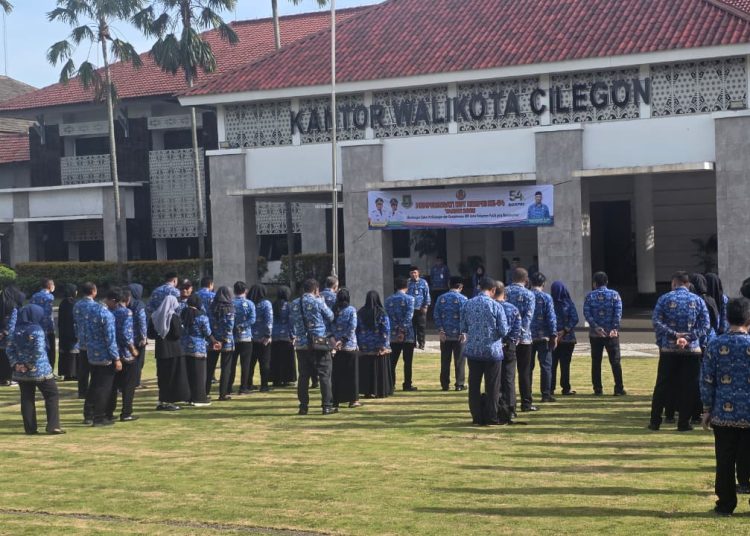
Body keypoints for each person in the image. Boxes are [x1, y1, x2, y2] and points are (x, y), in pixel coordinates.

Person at [700, 297, 750, 515]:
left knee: (725, 460)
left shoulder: (715, 344)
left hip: (723, 412)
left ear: (727, 318)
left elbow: (707, 380)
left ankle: (725, 504)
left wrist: (706, 409)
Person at [649, 271, 710, 431]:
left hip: (669, 349)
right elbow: (705, 325)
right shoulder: (698, 300)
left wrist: (674, 335)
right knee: (689, 386)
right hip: (691, 350)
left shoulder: (664, 298)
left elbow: (656, 321)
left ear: (673, 283)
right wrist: (688, 338)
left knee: (662, 384)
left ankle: (655, 421)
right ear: (688, 284)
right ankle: (684, 422)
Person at [7, 304, 64, 435]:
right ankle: (53, 425)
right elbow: (38, 350)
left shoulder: (14, 330)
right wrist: (29, 364)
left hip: (21, 372)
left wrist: (16, 364)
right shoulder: (36, 329)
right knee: (52, 394)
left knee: (27, 398)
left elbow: (9, 349)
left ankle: (30, 428)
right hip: (40, 370)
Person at [459, 276, 509, 426]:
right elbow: (503, 330)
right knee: (492, 386)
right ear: (493, 290)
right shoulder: (496, 306)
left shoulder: (467, 304)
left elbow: (463, 327)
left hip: (473, 351)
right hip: (492, 351)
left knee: (474, 385)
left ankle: (476, 416)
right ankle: (492, 416)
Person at [289, 278, 335, 415]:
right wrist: (323, 302)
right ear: (316, 290)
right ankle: (327, 406)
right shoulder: (318, 301)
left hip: (301, 344)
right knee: (324, 374)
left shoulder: (294, 303)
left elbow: (292, 321)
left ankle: (303, 406)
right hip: (318, 343)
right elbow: (330, 316)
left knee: (303, 376)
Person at [82, 287, 121, 426]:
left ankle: (88, 414)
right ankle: (99, 417)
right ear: (112, 300)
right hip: (105, 356)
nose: (117, 306)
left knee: (93, 384)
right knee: (104, 387)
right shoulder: (107, 315)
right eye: (116, 303)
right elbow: (110, 339)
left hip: (92, 353)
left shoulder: (90, 309)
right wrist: (116, 358)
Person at [583, 272, 626, 396]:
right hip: (611, 334)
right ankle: (618, 388)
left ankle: (597, 389)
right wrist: (614, 327)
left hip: (595, 334)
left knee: (596, 362)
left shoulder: (590, 296)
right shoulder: (614, 295)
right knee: (615, 361)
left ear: (594, 283)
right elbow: (618, 313)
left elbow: (587, 313)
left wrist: (596, 327)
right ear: (606, 282)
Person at [105, 288, 139, 422]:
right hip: (125, 354)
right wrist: (133, 349)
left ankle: (108, 412)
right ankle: (126, 412)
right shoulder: (126, 312)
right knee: (129, 386)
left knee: (112, 385)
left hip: (112, 353)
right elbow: (126, 334)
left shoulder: (107, 312)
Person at [505, 267, 536, 412]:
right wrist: (520, 333)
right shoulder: (529, 294)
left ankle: (508, 403)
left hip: (506, 338)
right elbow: (528, 317)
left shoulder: (505, 291)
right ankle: (526, 403)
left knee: (508, 373)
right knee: (524, 371)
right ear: (526, 279)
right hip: (524, 339)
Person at [150, 294, 189, 410]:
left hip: (161, 351)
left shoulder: (154, 316)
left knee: (162, 377)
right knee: (173, 377)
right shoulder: (173, 317)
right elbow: (177, 334)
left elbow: (150, 334)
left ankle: (162, 400)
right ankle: (170, 401)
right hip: (174, 351)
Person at [180, 294, 219, 407]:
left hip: (184, 347)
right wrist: (214, 341)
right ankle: (199, 398)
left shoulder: (183, 314)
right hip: (198, 348)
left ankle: (189, 397)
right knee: (199, 375)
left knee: (189, 374)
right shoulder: (201, 316)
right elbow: (207, 332)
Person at [434, 276, 467, 391]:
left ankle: (445, 384)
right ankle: (459, 384)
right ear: (460, 286)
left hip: (445, 334)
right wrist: (463, 331)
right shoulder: (463, 299)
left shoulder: (441, 298)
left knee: (445, 360)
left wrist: (440, 330)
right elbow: (465, 317)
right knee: (460, 361)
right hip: (459, 335)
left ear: (449, 285)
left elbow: (436, 315)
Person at [494, 281, 521, 423]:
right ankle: (511, 408)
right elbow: (517, 329)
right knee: (509, 378)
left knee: (495, 379)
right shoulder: (513, 308)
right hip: (509, 346)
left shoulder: (491, 307)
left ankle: (497, 407)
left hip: (494, 346)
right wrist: (512, 341)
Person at [529, 272, 557, 404]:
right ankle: (546, 394)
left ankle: (527, 393)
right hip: (543, 337)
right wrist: (553, 335)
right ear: (543, 284)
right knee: (546, 366)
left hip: (527, 337)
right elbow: (551, 318)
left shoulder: (526, 295)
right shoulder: (546, 297)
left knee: (527, 367)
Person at [357, 291, 391, 399]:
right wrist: (384, 345)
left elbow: (357, 329)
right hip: (378, 345)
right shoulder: (381, 313)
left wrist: (358, 343)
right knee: (378, 369)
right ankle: (379, 390)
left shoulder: (360, 312)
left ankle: (367, 391)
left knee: (366, 369)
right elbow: (386, 329)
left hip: (364, 345)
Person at [386, 278, 417, 392]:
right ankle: (407, 384)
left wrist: (396, 329)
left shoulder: (388, 300)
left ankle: (391, 384)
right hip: (407, 335)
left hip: (393, 334)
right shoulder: (410, 299)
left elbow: (388, 316)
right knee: (407, 362)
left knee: (392, 362)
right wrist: (402, 330)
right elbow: (409, 316)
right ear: (406, 287)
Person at [332, 288, 360, 408]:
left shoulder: (333, 310)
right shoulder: (351, 310)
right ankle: (353, 400)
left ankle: (336, 399)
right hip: (349, 346)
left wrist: (335, 340)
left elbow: (330, 327)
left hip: (335, 346)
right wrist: (343, 340)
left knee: (337, 374)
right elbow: (352, 327)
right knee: (352, 375)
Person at [206, 287, 235, 401]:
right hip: (226, 343)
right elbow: (229, 327)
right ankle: (223, 393)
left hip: (213, 341)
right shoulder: (230, 308)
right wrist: (223, 341)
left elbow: (208, 324)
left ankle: (205, 392)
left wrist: (214, 340)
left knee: (209, 368)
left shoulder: (211, 308)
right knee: (226, 368)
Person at [550, 281, 579, 396]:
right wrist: (565, 330)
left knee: (552, 364)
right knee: (565, 365)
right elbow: (575, 318)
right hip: (567, 338)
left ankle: (550, 388)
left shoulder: (549, 303)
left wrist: (555, 333)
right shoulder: (568, 303)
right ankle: (566, 388)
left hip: (553, 339)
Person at [230, 281, 256, 395]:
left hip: (232, 337)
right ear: (245, 291)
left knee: (231, 364)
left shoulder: (230, 303)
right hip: (246, 337)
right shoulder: (250, 303)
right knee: (245, 364)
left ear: (234, 290)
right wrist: (242, 325)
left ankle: (228, 386)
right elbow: (252, 319)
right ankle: (243, 387)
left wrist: (235, 327)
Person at [73, 282, 97, 403]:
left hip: (82, 341)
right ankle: (93, 391)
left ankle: (82, 391)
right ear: (93, 291)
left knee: (83, 369)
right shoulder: (96, 306)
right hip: (94, 342)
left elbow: (75, 322)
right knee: (94, 368)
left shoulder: (77, 305)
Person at [248, 284, 273, 392]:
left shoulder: (248, 303)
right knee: (264, 362)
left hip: (250, 337)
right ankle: (264, 385)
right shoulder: (266, 304)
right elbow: (269, 320)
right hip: (263, 338)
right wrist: (268, 335)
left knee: (250, 363)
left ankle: (248, 383)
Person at [271, 286, 297, 387]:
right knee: (287, 358)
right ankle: (287, 379)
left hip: (274, 335)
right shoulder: (289, 305)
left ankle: (275, 379)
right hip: (286, 335)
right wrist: (293, 335)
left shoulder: (273, 305)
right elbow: (291, 321)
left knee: (276, 358)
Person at [30, 278, 56, 373]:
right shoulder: (49, 297)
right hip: (47, 328)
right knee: (50, 350)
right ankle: (49, 370)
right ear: (49, 286)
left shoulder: (34, 296)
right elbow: (48, 314)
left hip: (35, 326)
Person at [0, 286, 23, 387]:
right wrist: (4, 333)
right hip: (9, 336)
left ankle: (2, 379)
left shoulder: (2, 306)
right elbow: (12, 324)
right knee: (10, 357)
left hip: (1, 336)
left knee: (2, 357)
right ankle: (9, 378)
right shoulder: (13, 307)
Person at [127, 284, 148, 388]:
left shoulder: (125, 302)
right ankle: (136, 382)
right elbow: (142, 321)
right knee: (139, 361)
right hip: (138, 339)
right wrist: (144, 337)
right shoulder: (139, 304)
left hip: (127, 337)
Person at [57, 284, 79, 381]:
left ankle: (66, 373)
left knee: (65, 352)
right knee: (73, 352)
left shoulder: (63, 303)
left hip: (63, 332)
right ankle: (73, 373)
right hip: (72, 332)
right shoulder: (73, 303)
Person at [407, 266, 430, 350]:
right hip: (410, 309)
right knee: (411, 327)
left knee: (421, 327)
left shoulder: (423, 282)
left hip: (421, 308)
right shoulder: (407, 282)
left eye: (415, 272)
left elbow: (427, 294)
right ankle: (412, 343)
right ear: (409, 274)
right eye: (412, 273)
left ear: (418, 273)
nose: (413, 274)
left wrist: (426, 305)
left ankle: (421, 343)